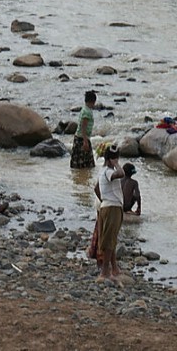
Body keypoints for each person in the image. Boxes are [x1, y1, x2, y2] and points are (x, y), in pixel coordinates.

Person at [96, 144, 124, 284]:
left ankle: (114, 268)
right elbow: (121, 174)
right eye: (116, 158)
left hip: (107, 205)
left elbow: (96, 188)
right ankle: (105, 271)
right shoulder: (108, 171)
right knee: (109, 241)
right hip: (112, 207)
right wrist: (117, 164)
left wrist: (103, 200)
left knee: (111, 239)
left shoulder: (101, 172)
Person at [70, 90, 97, 168]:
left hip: (80, 137)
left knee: (81, 161)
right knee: (84, 162)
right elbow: (83, 126)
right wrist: (85, 141)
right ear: (92, 101)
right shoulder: (87, 112)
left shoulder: (85, 109)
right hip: (82, 139)